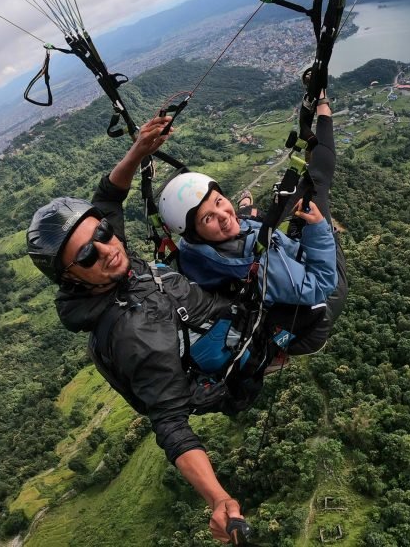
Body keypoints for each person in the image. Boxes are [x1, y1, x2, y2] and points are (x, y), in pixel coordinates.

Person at [26, 115, 247, 543]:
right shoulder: (134, 334)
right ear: (70, 277)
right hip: (241, 338)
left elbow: (107, 197)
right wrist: (218, 499)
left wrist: (139, 151)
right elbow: (171, 426)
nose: (110, 248)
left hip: (212, 302)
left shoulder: (109, 261)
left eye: (105, 233)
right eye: (89, 254)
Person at [158, 93, 348, 356]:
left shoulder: (190, 250)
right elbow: (321, 284)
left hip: (269, 297)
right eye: (207, 218)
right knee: (318, 188)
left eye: (219, 201)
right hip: (310, 321)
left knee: (291, 209)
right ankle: (324, 108)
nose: (224, 215)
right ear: (195, 233)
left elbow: (239, 232)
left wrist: (245, 212)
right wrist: (318, 231)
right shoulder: (256, 265)